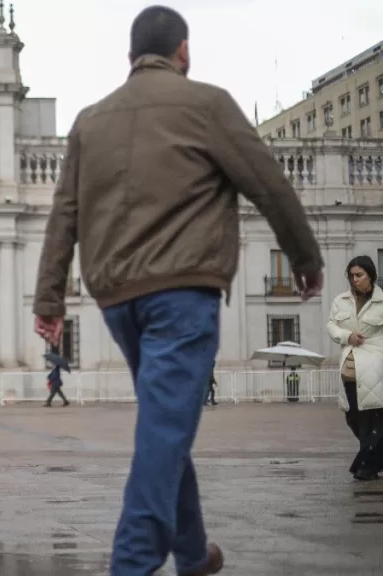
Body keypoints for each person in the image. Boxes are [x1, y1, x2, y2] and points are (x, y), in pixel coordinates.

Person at [32, 6, 324, 575]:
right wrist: (306, 259)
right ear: (183, 52)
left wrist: (49, 301)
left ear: (130, 58)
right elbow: (268, 183)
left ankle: (191, 553)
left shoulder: (91, 121)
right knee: (165, 427)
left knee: (168, 421)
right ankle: (132, 563)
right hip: (183, 295)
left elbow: (63, 216)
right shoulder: (207, 105)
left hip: (117, 300)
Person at [327, 256, 383, 481]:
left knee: (375, 422)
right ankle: (370, 463)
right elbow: (331, 325)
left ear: (370, 275)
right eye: (351, 275)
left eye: (359, 275)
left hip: (376, 371)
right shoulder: (340, 301)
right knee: (354, 419)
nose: (354, 279)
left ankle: (366, 467)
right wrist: (347, 335)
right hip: (349, 371)